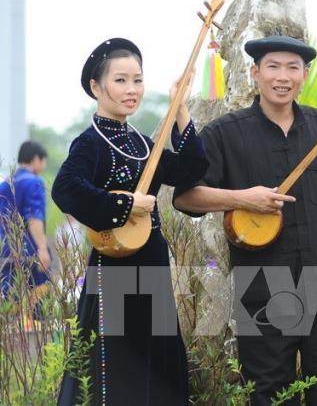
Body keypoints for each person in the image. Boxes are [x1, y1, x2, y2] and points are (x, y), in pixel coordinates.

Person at [173, 35, 317, 405]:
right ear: (254, 73)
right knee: (269, 395)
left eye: (293, 68)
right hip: (261, 285)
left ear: (304, 75)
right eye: (273, 67)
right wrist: (243, 198)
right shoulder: (225, 132)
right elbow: (186, 196)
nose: (283, 76)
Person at [52, 37, 208, 405]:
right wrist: (125, 204)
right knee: (118, 369)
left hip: (151, 262)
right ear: (96, 87)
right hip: (115, 268)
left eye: (137, 80)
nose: (131, 89)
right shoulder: (89, 143)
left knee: (157, 362)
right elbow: (65, 189)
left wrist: (180, 109)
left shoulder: (141, 144)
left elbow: (192, 169)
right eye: (120, 80)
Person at [1, 141, 51, 303]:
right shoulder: (34, 182)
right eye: (44, 161)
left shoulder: (5, 184)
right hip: (28, 251)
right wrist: (42, 249)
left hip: (5, 251)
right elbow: (34, 218)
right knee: (38, 301)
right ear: (36, 159)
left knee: (10, 302)